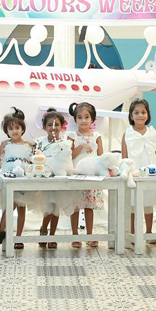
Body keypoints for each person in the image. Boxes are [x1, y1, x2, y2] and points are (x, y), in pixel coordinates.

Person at [121, 98, 156, 245]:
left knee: (148, 202)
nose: (140, 115)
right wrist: (126, 170)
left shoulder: (152, 132)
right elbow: (124, 155)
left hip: (150, 169)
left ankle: (149, 232)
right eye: (136, 113)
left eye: (143, 112)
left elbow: (155, 151)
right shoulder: (128, 133)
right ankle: (133, 233)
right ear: (131, 116)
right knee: (133, 203)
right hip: (134, 171)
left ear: (148, 114)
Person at [35, 109, 76, 248]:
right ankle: (43, 230)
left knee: (56, 207)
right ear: (44, 127)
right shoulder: (40, 143)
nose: (53, 127)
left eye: (57, 124)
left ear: (62, 126)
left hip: (60, 181)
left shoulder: (66, 142)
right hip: (45, 181)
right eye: (50, 124)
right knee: (49, 207)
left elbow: (67, 160)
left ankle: (52, 235)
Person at [0, 108, 33, 247]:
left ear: (22, 129)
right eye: (11, 128)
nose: (14, 131)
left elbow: (32, 162)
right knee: (9, 205)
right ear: (6, 131)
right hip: (8, 178)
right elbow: (0, 161)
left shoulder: (28, 145)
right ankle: (1, 230)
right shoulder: (5, 144)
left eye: (17, 127)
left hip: (23, 179)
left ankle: (19, 237)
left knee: (21, 207)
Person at [68, 102, 103, 245]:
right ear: (75, 119)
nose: (83, 120)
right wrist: (81, 146)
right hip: (76, 174)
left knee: (89, 206)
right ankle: (74, 236)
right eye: (80, 117)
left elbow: (101, 156)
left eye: (87, 117)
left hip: (92, 176)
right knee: (75, 206)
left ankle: (89, 235)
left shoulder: (97, 136)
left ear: (92, 119)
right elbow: (69, 155)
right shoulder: (72, 136)